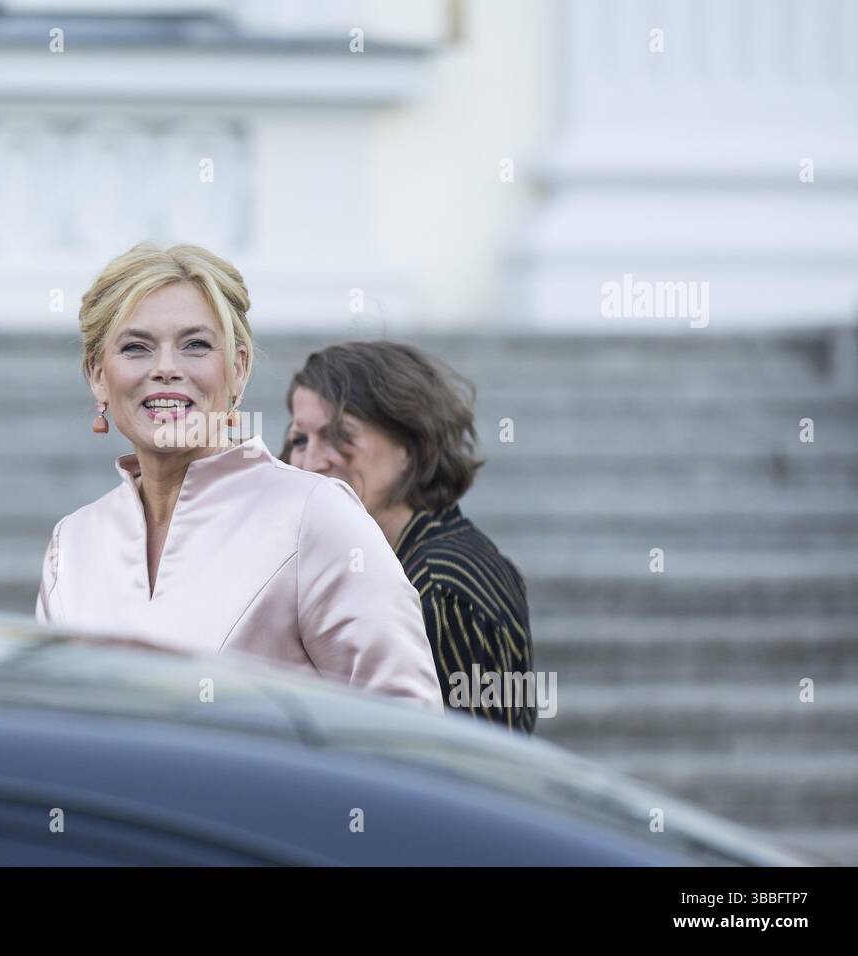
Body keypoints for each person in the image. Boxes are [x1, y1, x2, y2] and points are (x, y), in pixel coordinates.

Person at [34, 242, 443, 710]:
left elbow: (407, 724)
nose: (166, 368)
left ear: (239, 370)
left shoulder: (314, 515)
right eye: (136, 347)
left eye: (196, 345)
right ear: (97, 376)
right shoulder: (73, 541)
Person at [281, 342, 536, 732]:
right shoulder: (382, 562)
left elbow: (466, 767)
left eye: (339, 435)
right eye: (299, 440)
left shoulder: (440, 586)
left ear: (411, 445)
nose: (311, 462)